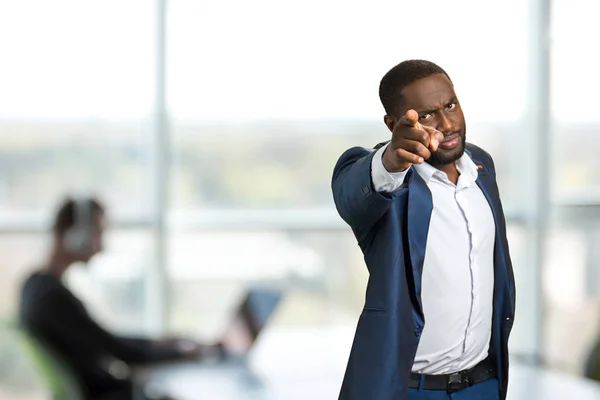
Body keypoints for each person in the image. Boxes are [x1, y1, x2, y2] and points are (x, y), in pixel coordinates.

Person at [331, 60, 515, 400]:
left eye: (450, 105)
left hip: (483, 385)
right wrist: (390, 161)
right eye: (427, 115)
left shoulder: (481, 167)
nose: (447, 123)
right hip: (409, 390)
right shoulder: (389, 181)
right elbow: (351, 198)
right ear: (393, 123)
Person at [19, 197, 211, 400]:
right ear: (75, 235)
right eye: (98, 233)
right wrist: (184, 353)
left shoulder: (34, 285)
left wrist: (157, 343)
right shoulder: (51, 297)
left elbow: (101, 338)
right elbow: (117, 350)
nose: (101, 246)